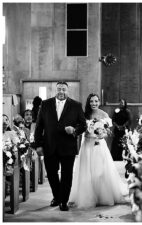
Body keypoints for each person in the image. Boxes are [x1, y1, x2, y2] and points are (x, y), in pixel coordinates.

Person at [34, 81, 87, 211]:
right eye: (59, 89)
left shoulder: (76, 105)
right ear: (55, 90)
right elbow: (39, 126)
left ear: (67, 91)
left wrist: (74, 130)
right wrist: (38, 145)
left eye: (64, 89)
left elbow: (83, 125)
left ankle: (64, 201)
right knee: (51, 174)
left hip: (68, 146)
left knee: (67, 175)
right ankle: (56, 196)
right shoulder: (45, 104)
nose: (61, 92)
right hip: (49, 145)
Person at [69, 93, 128, 208]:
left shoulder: (104, 114)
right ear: (88, 102)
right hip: (87, 144)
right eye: (91, 101)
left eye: (96, 101)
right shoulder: (84, 114)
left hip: (99, 145)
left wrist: (102, 135)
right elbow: (80, 129)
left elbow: (107, 133)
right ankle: (88, 196)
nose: (94, 103)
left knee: (100, 171)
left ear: (99, 102)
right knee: (87, 171)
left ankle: (102, 196)